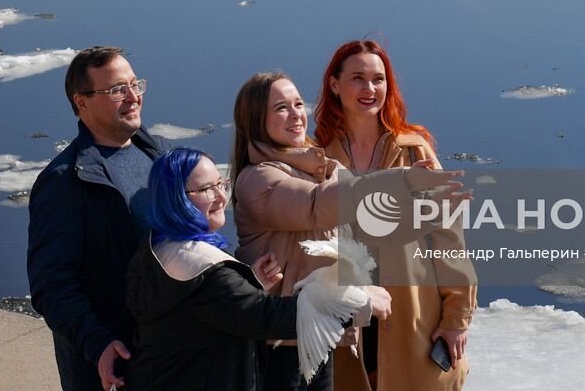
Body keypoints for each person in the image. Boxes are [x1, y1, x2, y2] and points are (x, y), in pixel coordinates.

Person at [232, 72, 465, 391]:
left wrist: (429, 213)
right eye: (281, 108)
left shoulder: (322, 169)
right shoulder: (258, 180)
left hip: (322, 338)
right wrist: (400, 180)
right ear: (256, 120)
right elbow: (318, 205)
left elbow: (368, 227)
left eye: (298, 103)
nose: (296, 114)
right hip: (281, 348)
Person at [126, 147, 392, 391]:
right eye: (206, 189)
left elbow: (209, 320)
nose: (221, 197)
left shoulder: (156, 250)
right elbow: (271, 317)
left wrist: (248, 285)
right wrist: (358, 300)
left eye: (221, 184)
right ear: (175, 199)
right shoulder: (201, 271)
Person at [314, 40, 477, 391]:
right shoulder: (316, 162)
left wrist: (457, 318)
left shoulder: (413, 152)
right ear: (334, 85)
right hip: (344, 328)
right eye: (357, 78)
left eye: (378, 79)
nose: (369, 89)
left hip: (414, 324)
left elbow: (449, 242)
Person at [28, 46, 162, 391]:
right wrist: (98, 343)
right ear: (82, 102)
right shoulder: (65, 181)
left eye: (135, 85)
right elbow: (52, 287)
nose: (133, 97)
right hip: (114, 367)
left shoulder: (158, 154)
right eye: (117, 90)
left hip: (166, 355)